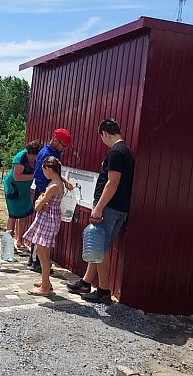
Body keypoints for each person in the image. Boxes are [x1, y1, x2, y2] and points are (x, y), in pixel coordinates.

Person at [67, 119, 134, 304]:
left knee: (101, 249)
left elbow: (112, 183)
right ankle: (86, 282)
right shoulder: (126, 152)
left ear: (104, 133)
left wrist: (98, 208)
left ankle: (103, 290)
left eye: (101, 137)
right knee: (97, 245)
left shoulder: (116, 153)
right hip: (118, 208)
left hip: (109, 209)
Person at [28, 128, 73, 272]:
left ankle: (39, 260)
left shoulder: (56, 152)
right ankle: (36, 261)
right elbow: (39, 176)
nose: (63, 149)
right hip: (44, 193)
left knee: (44, 229)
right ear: (55, 140)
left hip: (50, 193)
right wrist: (43, 197)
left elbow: (55, 173)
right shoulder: (45, 154)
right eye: (63, 145)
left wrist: (64, 181)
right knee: (40, 228)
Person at [24, 156, 67, 295]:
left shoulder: (53, 186)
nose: (43, 172)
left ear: (48, 169)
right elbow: (41, 200)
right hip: (49, 218)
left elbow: (38, 206)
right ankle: (45, 281)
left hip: (48, 220)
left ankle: (45, 287)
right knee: (42, 251)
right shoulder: (58, 182)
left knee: (43, 253)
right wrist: (40, 200)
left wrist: (39, 201)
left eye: (43, 169)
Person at [3, 140, 42, 252]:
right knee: (13, 214)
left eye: (34, 156)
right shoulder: (20, 157)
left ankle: (20, 240)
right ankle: (9, 244)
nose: (32, 159)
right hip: (13, 187)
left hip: (25, 188)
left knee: (24, 213)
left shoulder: (38, 158)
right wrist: (34, 176)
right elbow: (17, 176)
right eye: (31, 156)